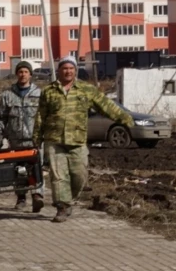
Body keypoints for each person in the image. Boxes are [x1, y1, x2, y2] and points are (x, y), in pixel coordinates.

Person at [32, 56, 133, 223]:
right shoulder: (49, 91)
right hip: (54, 140)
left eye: (71, 68)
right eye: (65, 68)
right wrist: (37, 138)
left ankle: (68, 199)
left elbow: (106, 105)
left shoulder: (86, 89)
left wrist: (125, 118)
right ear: (59, 71)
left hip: (77, 140)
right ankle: (62, 207)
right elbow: (41, 116)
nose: (68, 71)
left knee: (79, 175)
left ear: (75, 70)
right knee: (58, 176)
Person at [0, 61, 44, 213]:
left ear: (30, 74)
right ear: (17, 74)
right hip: (15, 140)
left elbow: (44, 116)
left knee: (36, 169)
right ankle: (21, 198)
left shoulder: (39, 94)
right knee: (19, 170)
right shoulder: (8, 95)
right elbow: (1, 117)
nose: (23, 74)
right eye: (20, 72)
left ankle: (37, 196)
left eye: (26, 72)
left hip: (34, 140)